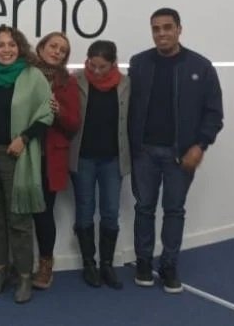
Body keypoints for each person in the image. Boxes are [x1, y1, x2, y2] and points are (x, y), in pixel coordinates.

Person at [129, 8, 223, 293]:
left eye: (167, 27)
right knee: (144, 208)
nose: (161, 33)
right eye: (156, 28)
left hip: (180, 155)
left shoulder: (201, 66)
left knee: (174, 210)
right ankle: (143, 262)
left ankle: (169, 265)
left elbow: (214, 113)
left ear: (179, 29)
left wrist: (200, 145)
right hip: (144, 152)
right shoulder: (139, 63)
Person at [0, 25, 53, 304]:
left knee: (19, 220)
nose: (6, 50)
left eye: (11, 44)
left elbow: (47, 113)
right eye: (1, 45)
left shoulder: (33, 76)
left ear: (20, 47)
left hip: (18, 156)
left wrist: (24, 138)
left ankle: (24, 276)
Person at [69, 40, 130, 290]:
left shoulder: (126, 84)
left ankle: (107, 264)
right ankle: (88, 263)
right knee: (84, 210)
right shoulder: (76, 80)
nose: (95, 71)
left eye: (102, 67)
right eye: (91, 65)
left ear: (114, 64)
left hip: (112, 158)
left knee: (111, 211)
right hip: (83, 157)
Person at [31, 32, 80, 289]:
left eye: (62, 50)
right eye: (53, 46)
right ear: (41, 48)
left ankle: (45, 265)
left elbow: (73, 123)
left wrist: (58, 110)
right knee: (18, 212)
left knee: (43, 213)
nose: (57, 52)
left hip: (49, 158)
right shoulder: (24, 74)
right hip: (23, 152)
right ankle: (19, 264)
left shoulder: (68, 82)